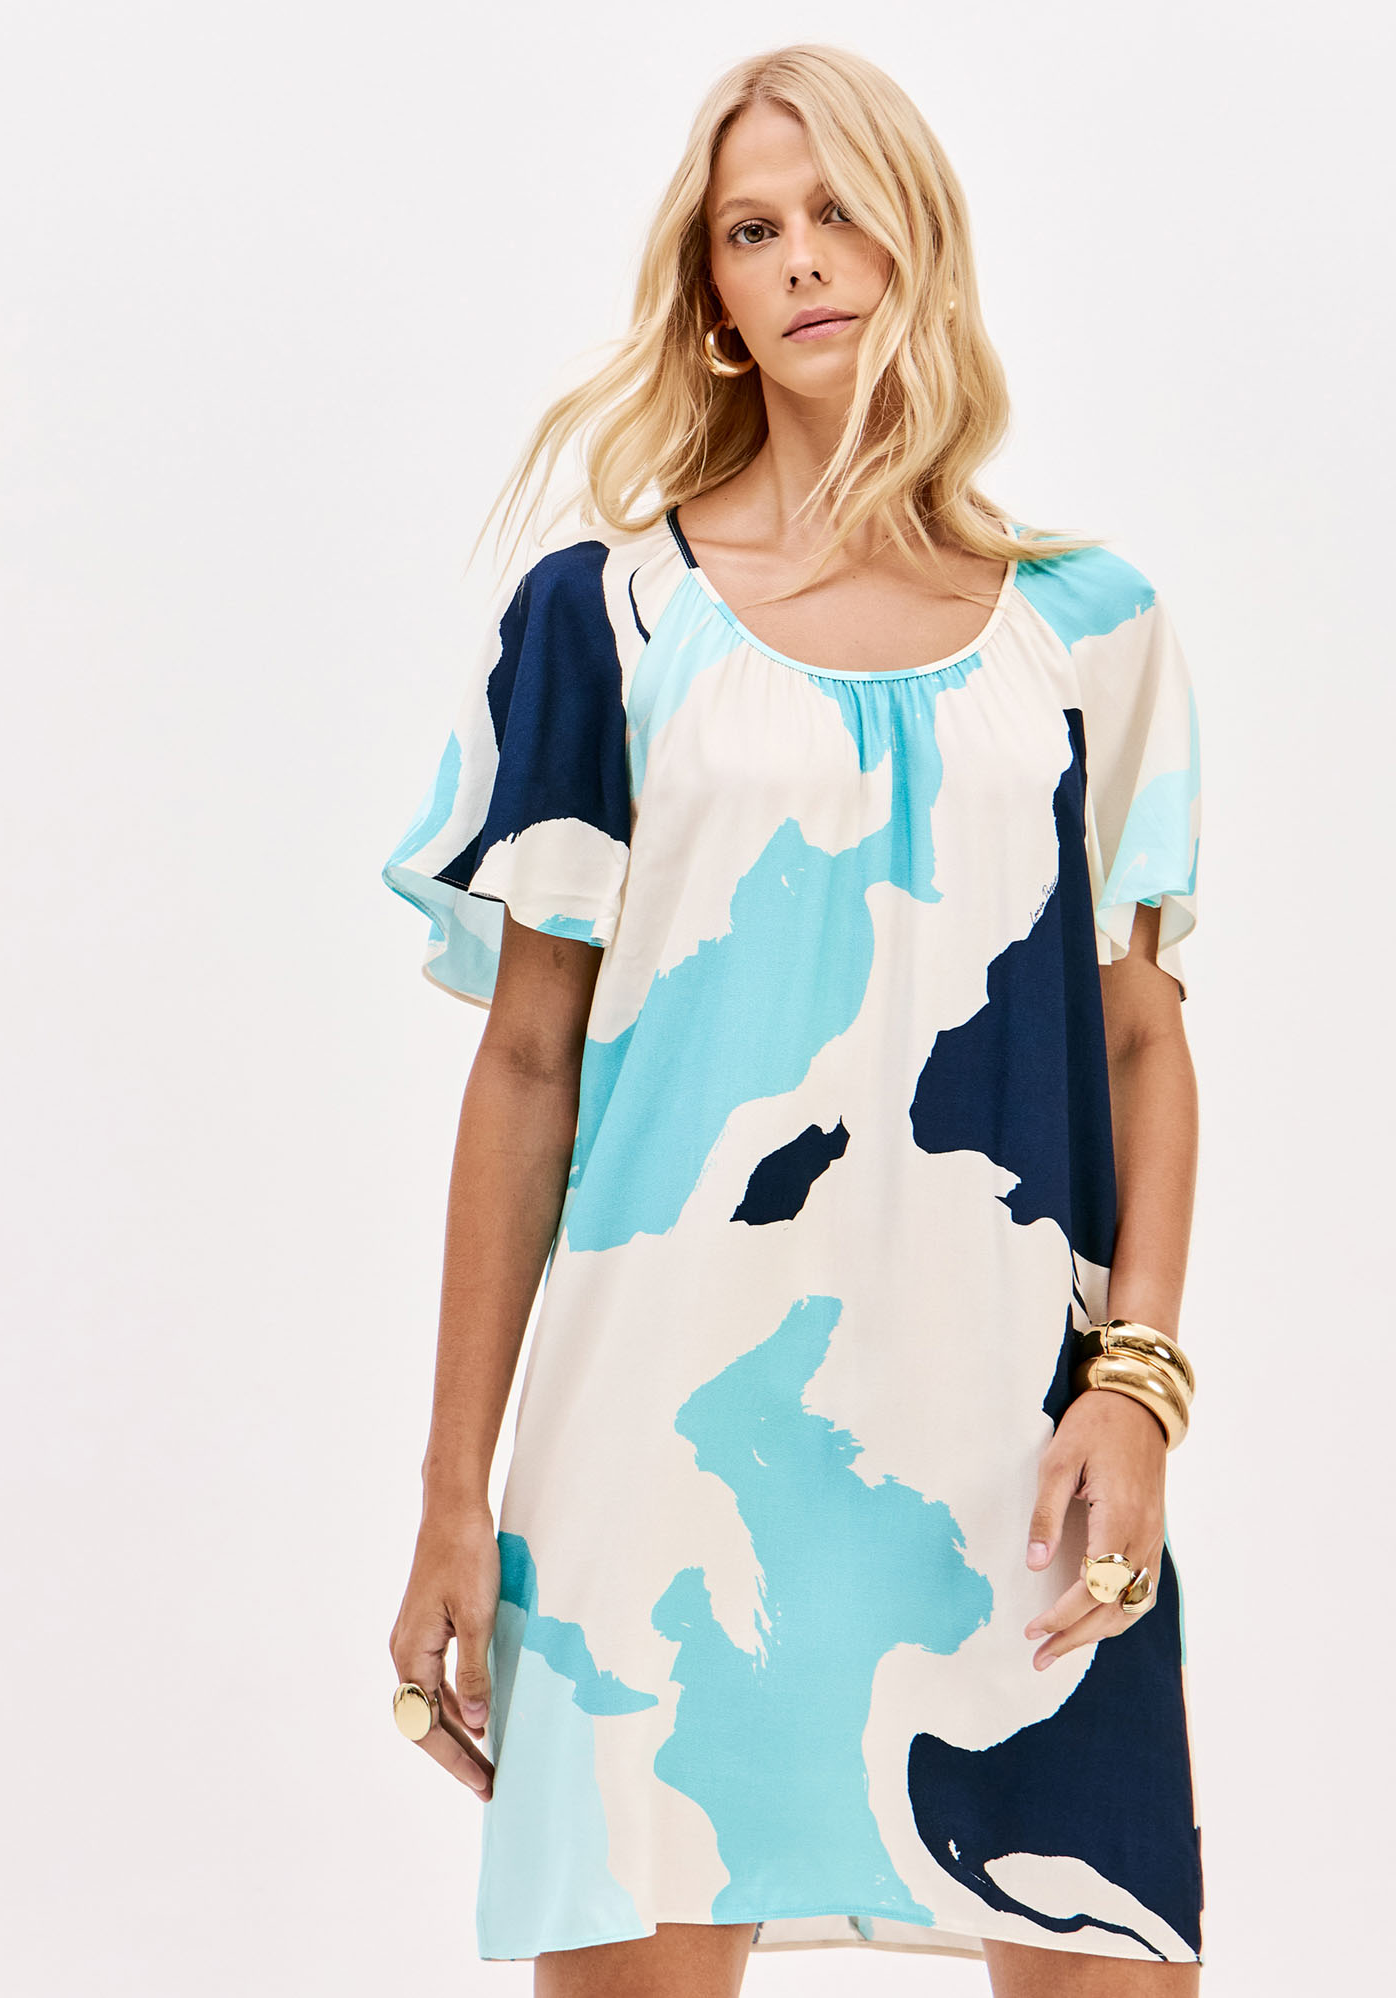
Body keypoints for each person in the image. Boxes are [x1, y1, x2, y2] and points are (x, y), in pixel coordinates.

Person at [382, 40, 1206, 1998]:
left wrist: (1138, 1383)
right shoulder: (603, 622)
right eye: (752, 231)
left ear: (919, 238)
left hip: (1016, 1437)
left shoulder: (1090, 625)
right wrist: (448, 1498)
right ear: (716, 300)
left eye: (837, 210)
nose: (802, 258)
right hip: (663, 1453)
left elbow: (1140, 1037)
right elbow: (525, 1062)